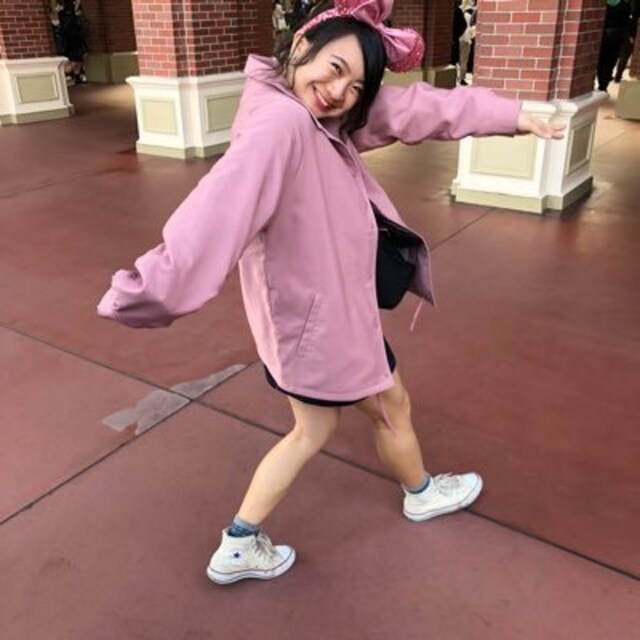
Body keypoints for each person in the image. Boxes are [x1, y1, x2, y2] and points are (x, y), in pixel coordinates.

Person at [97, 0, 565, 585]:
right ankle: (247, 539)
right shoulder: (284, 125)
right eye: (334, 67)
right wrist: (148, 290)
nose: (339, 90)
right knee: (328, 427)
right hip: (320, 329)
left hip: (317, 319)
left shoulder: (311, 113)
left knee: (363, 413)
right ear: (301, 47)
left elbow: (413, 108)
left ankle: (412, 492)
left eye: (356, 85)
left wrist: (512, 115)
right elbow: (215, 214)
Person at [597, 0, 634, 92]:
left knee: (600, 60)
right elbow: (627, 23)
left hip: (602, 36)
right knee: (610, 62)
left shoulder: (602, 4)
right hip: (616, 37)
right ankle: (603, 85)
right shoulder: (625, 6)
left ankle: (601, 79)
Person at [57, 0, 88, 85]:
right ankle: (74, 75)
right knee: (76, 60)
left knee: (76, 60)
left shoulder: (64, 17)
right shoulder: (72, 18)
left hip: (71, 41)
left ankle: (76, 75)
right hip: (73, 41)